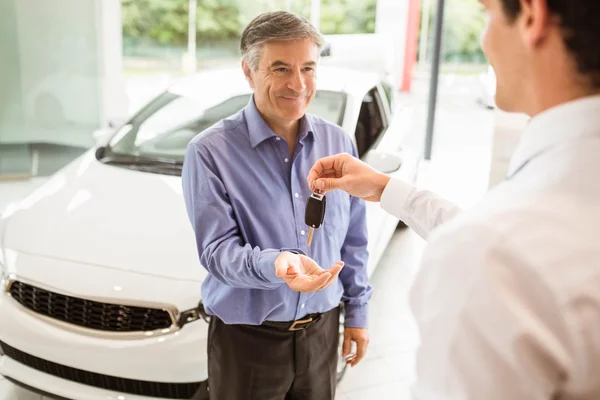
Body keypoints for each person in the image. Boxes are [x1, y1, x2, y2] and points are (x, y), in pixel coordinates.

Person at [307, 0, 600, 398]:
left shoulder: (491, 256)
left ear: (532, 16)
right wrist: (384, 188)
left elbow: (494, 243)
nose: (484, 40)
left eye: (488, 15)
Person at [181, 11, 371, 400]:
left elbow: (353, 239)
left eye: (308, 68)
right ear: (249, 73)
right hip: (247, 342)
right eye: (280, 68)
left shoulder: (339, 143)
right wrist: (276, 265)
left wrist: (357, 314)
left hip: (321, 333)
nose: (297, 84)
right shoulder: (209, 152)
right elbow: (217, 252)